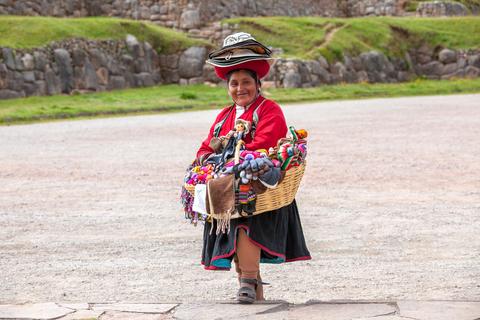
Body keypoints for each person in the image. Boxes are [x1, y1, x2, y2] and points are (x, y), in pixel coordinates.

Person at [195, 33, 311, 304]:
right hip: (228, 186)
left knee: (243, 226)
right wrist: (205, 163)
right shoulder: (224, 117)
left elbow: (263, 146)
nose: (239, 88)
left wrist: (232, 162)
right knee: (233, 231)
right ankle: (251, 287)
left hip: (259, 188)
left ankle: (247, 282)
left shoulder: (270, 110)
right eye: (234, 83)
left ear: (258, 84)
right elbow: (204, 150)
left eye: (246, 82)